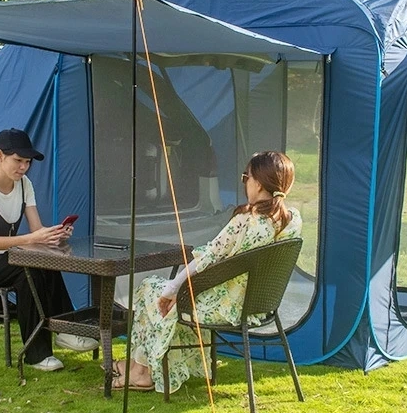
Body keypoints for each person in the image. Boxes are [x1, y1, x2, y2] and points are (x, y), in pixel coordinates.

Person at [114, 150, 302, 393]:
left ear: (258, 183)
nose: (245, 183)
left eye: (247, 177)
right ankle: (140, 366)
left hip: (224, 306)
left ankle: (141, 372)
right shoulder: (291, 220)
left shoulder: (246, 220)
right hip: (257, 305)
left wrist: (174, 288)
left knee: (152, 288)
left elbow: (208, 256)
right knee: (169, 294)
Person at [0, 128, 77, 371]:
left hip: (9, 256)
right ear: (0, 156)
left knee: (46, 263)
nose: (23, 167)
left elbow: (36, 229)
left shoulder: (25, 184)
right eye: (18, 160)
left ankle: (65, 329)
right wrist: (32, 238)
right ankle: (37, 354)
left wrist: (53, 234)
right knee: (29, 272)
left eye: (27, 162)